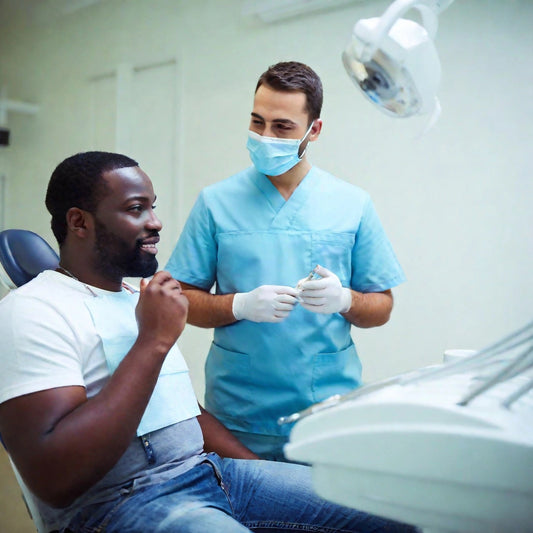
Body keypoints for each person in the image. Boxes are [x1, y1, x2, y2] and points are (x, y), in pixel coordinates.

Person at [0, 151, 417, 533]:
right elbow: (54, 478)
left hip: (212, 473)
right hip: (126, 501)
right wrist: (153, 341)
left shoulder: (137, 298)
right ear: (79, 222)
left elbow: (180, 413)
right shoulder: (34, 310)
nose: (156, 222)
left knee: (406, 512)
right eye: (135, 209)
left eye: (153, 206)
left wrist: (267, 478)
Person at [166, 61, 406, 460]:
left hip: (326, 412)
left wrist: (346, 300)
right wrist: (236, 305)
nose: (264, 136)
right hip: (239, 416)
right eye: (257, 122)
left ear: (314, 130)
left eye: (282, 127)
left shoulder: (352, 205)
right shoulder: (216, 202)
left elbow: (381, 307)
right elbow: (181, 298)